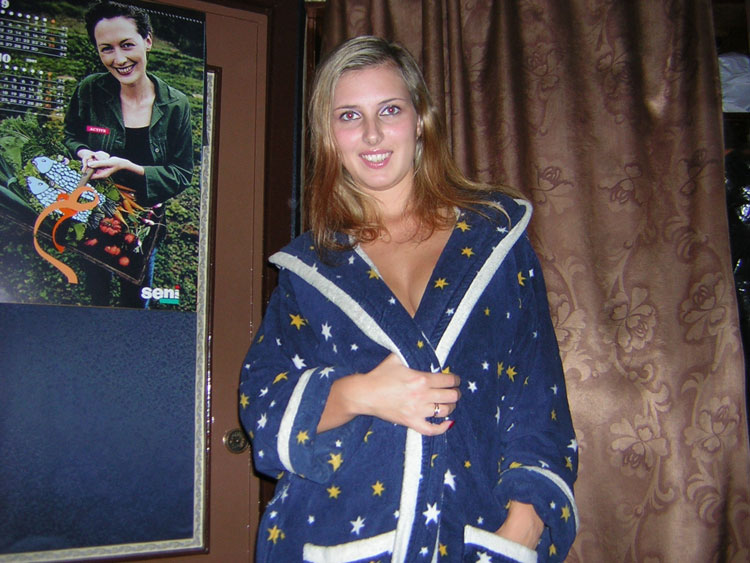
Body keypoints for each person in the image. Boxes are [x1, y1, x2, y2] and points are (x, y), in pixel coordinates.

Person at [239, 36, 578, 563]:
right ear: (329, 135)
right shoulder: (310, 270)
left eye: (390, 110)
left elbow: (539, 397)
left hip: (474, 538)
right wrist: (360, 394)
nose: (372, 133)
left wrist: (523, 526)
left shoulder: (494, 239)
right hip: (336, 539)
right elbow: (262, 403)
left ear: (421, 119)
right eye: (349, 116)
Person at [63, 0, 193, 308]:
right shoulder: (89, 90)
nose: (119, 59)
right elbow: (71, 135)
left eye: (126, 45)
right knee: (96, 287)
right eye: (106, 49)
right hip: (94, 212)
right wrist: (83, 151)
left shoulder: (176, 105)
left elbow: (182, 173)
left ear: (147, 41)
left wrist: (129, 167)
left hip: (143, 220)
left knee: (135, 293)